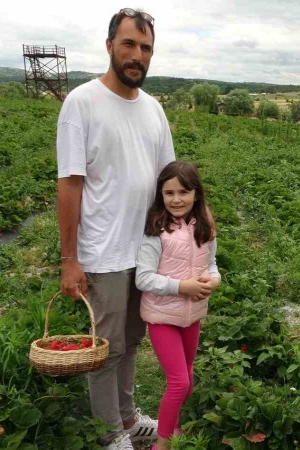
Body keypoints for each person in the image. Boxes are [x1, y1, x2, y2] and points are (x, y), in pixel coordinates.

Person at [56, 8, 175, 449]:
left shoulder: (154, 110)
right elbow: (69, 184)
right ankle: (110, 437)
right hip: (102, 254)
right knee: (105, 351)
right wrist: (70, 259)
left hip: (144, 251)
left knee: (131, 340)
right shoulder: (82, 103)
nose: (137, 55)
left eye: (145, 48)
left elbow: (168, 181)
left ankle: (126, 416)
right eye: (129, 44)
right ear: (110, 45)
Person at [135, 161, 220, 450]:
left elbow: (212, 264)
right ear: (161, 195)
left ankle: (178, 428)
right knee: (179, 382)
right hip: (162, 316)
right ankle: (163, 444)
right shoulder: (156, 229)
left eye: (183, 192)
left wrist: (213, 282)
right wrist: (182, 287)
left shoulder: (205, 227)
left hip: (192, 315)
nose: (176, 199)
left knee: (188, 374)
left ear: (196, 194)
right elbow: (143, 278)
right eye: (169, 193)